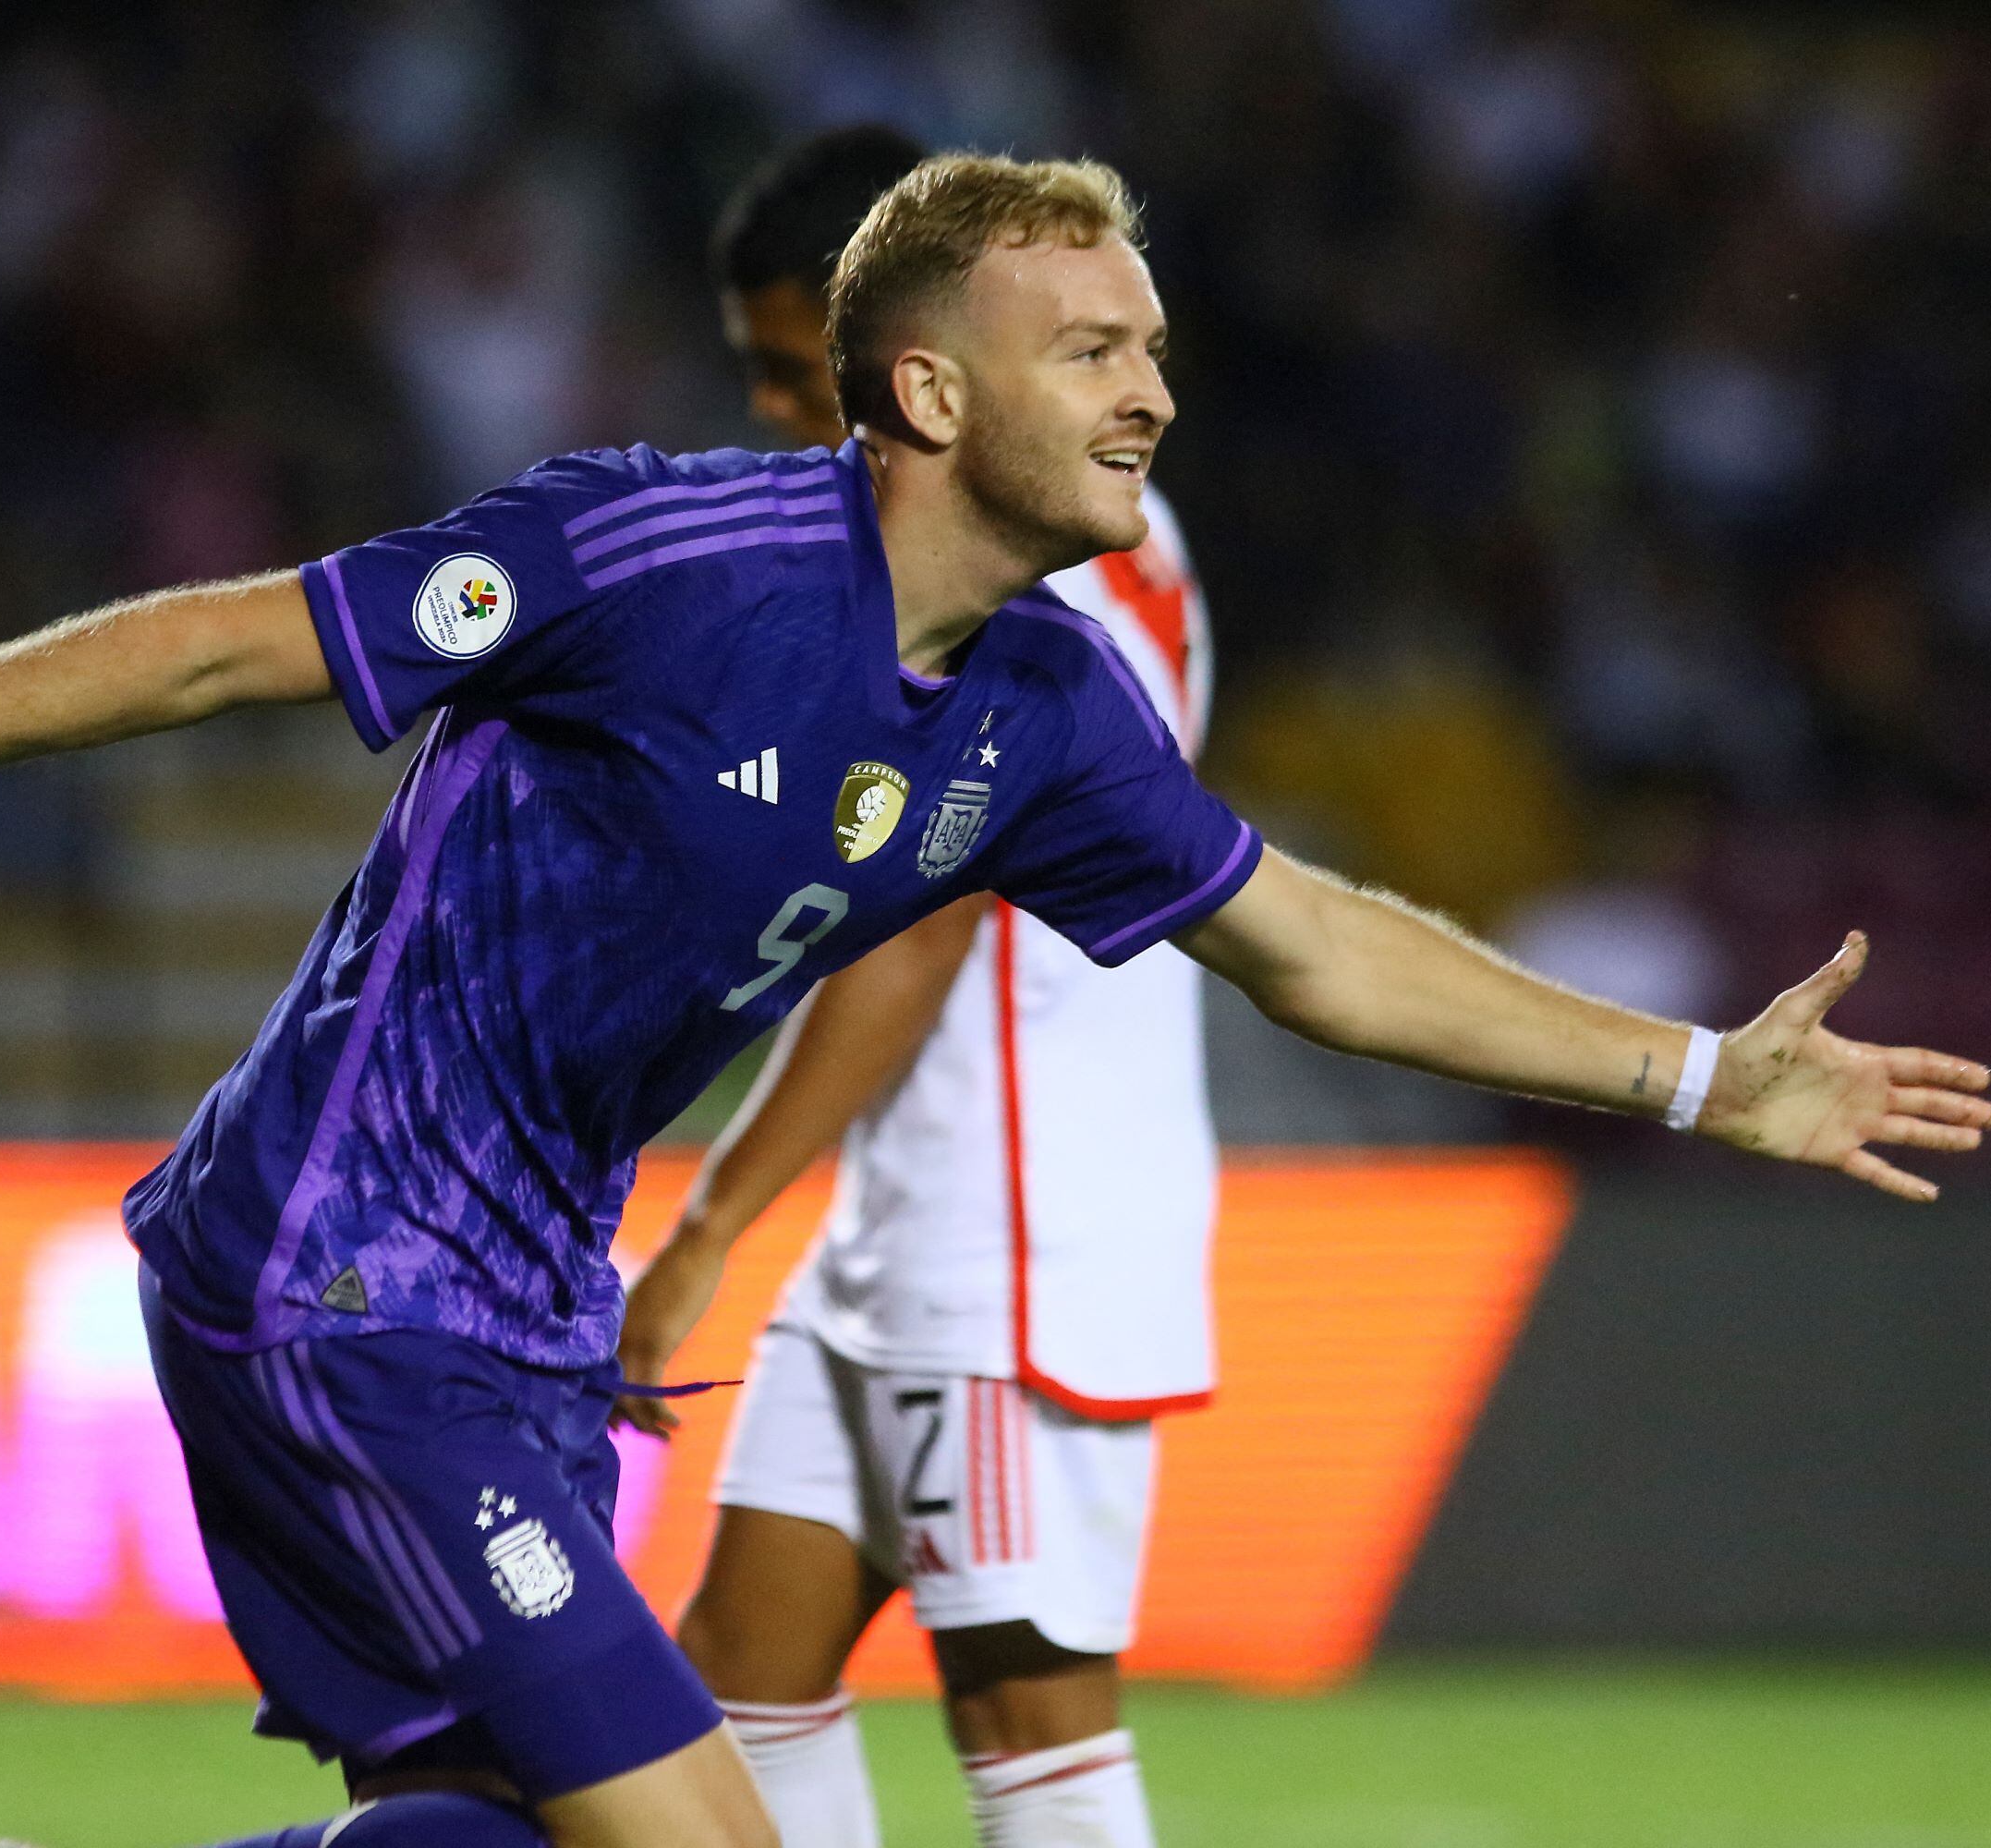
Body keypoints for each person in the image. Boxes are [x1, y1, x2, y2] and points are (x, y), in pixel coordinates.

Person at [0, 155, 1991, 1848]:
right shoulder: (655, 554)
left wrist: (1692, 1071)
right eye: (1092, 349)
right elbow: (228, 642)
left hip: (519, 1317)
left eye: (1152, 345)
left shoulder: (1041, 708)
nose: (1152, 392)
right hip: (338, 1281)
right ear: (923, 392)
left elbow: (1317, 941)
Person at [612, 125, 1220, 1848]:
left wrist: (716, 1221)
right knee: (739, 1671)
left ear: (912, 355)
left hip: (1017, 1235)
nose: (781, 418)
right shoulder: (1111, 525)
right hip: (913, 1219)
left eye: (795, 373)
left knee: (1034, 1732)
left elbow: (930, 924)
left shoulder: (1042, 568)